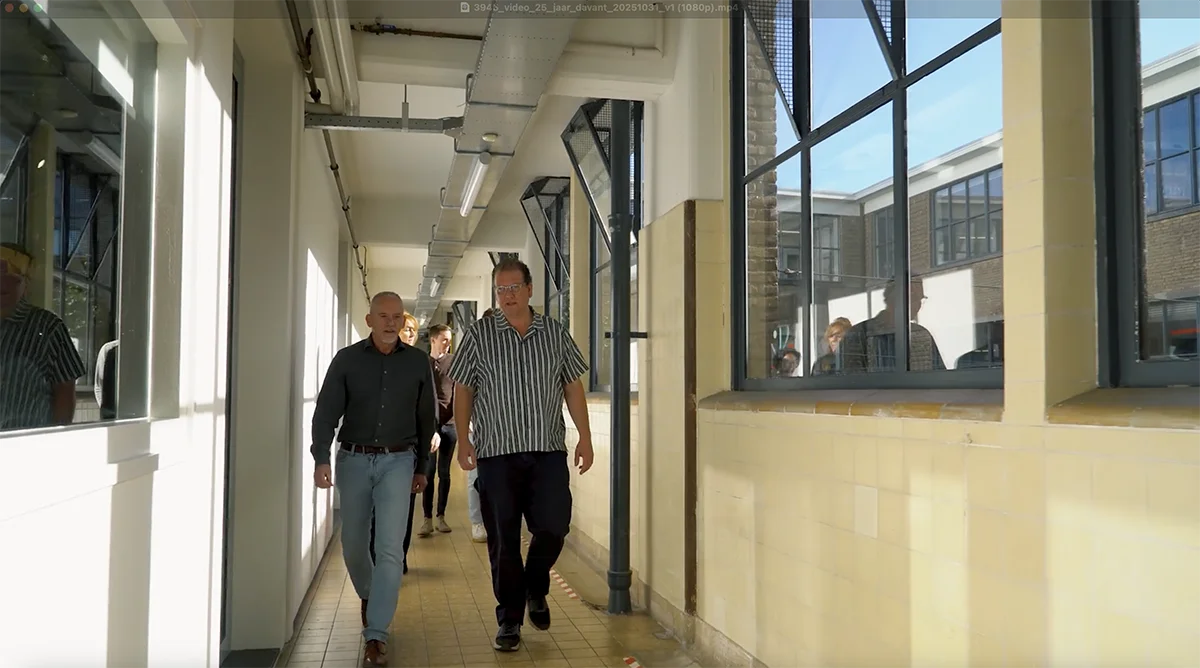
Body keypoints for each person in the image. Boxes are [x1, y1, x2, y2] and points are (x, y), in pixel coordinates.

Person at [449, 258, 594, 652]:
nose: (508, 296)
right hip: (497, 455)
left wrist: (585, 435)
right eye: (501, 290)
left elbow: (572, 385)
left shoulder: (554, 333)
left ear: (530, 289)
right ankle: (510, 619)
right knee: (504, 541)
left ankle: (536, 584)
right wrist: (463, 439)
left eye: (514, 288)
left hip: (547, 451)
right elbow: (464, 389)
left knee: (554, 526)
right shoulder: (480, 335)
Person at [310, 291, 435, 667]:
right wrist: (320, 457)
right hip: (353, 460)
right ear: (369, 320)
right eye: (383, 315)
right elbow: (326, 411)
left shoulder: (417, 362)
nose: (390, 322)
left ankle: (376, 633)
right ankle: (371, 593)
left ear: (402, 321)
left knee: (390, 548)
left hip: (399, 460)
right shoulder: (347, 360)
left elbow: (426, 417)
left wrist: (422, 468)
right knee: (352, 542)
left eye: (396, 316)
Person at [0, 243, 85, 429]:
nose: (2, 281)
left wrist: (53, 443)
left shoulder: (48, 328)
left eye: (12, 276)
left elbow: (64, 390)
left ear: (26, 285)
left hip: (27, 446)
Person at [417, 323, 458, 537]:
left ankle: (441, 516)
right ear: (433, 340)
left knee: (444, 472)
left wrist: (462, 419)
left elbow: (459, 391)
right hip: (429, 426)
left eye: (449, 339)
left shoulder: (454, 362)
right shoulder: (422, 362)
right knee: (429, 471)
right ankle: (427, 519)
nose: (448, 342)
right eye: (444, 338)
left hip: (449, 425)